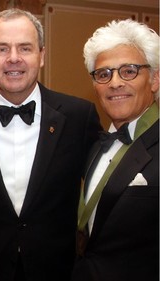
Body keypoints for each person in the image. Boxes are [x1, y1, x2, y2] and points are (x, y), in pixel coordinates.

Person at [0, 8, 102, 281]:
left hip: (57, 272)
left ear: (42, 55)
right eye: (2, 49)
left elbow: (106, 187)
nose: (13, 58)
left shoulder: (79, 117)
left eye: (25, 48)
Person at [72, 19, 159, 281]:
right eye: (104, 74)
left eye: (129, 71)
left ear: (155, 79)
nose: (115, 83)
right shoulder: (93, 146)